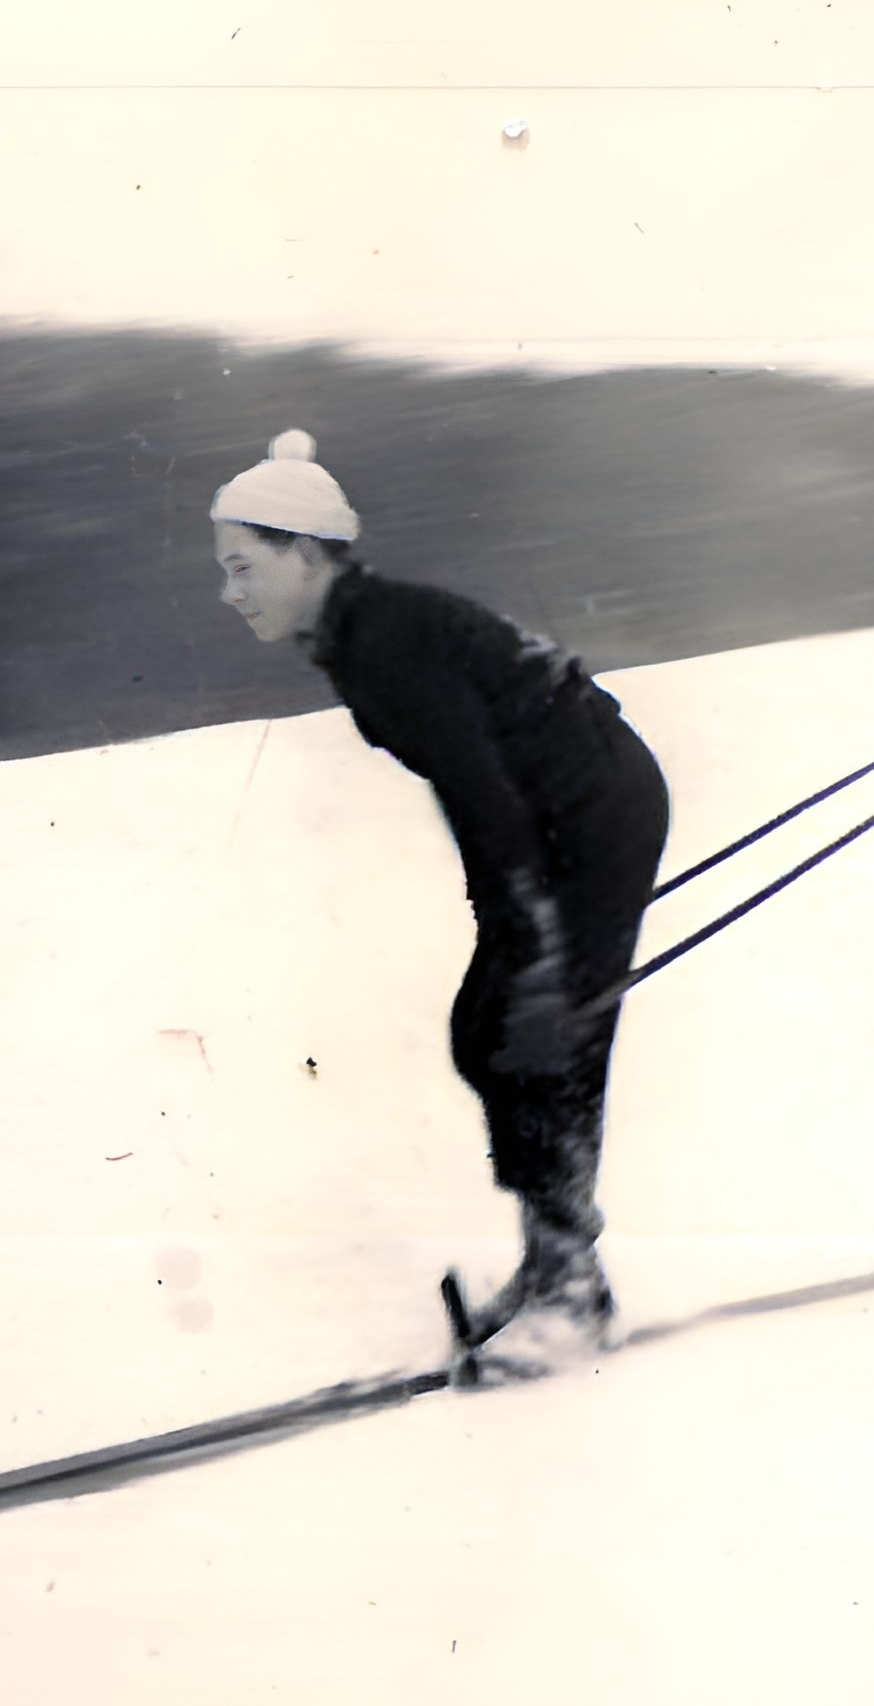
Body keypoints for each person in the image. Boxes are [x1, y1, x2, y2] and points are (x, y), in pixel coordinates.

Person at [211, 429, 670, 1378]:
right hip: (561, 810)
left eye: (243, 566)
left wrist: (529, 933)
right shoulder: (360, 636)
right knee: (490, 1028)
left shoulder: (382, 644)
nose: (232, 592)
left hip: (592, 806)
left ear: (305, 552)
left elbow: (481, 794)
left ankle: (575, 1289)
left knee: (546, 1031)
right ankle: (555, 1267)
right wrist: (517, 928)